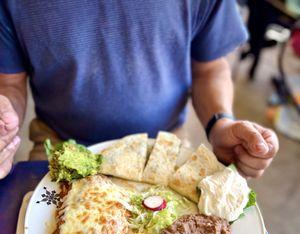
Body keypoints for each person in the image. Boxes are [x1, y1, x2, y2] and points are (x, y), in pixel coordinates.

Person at [0, 0, 278, 180]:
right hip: (61, 145)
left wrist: (220, 123)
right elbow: (9, 82)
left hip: (162, 148)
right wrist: (4, 122)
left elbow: (209, 68)